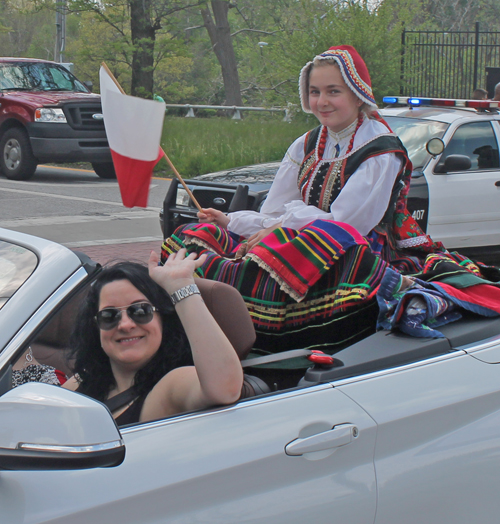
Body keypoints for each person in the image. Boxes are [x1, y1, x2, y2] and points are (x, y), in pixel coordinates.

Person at [161, 45, 498, 360]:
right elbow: (275, 212)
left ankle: (256, 328)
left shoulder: (380, 149)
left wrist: (280, 225)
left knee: (312, 240)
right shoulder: (306, 144)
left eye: (333, 91)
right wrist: (232, 222)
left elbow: (347, 225)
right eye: (315, 91)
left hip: (355, 248)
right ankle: (197, 307)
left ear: (357, 94)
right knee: (198, 233)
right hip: (301, 238)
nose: (322, 101)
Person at [63, 249, 243, 425]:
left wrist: (181, 287)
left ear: (163, 319)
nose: (125, 325)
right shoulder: (81, 383)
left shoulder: (171, 386)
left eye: (141, 311)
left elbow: (224, 388)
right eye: (109, 316)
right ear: (95, 327)